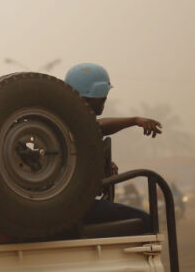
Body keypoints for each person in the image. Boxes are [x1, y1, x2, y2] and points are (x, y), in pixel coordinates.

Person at [64, 63, 161, 226]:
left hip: (70, 205)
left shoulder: (63, 122)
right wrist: (135, 120)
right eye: (103, 97)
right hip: (75, 207)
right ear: (96, 94)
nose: (105, 101)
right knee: (145, 221)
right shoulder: (71, 123)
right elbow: (98, 126)